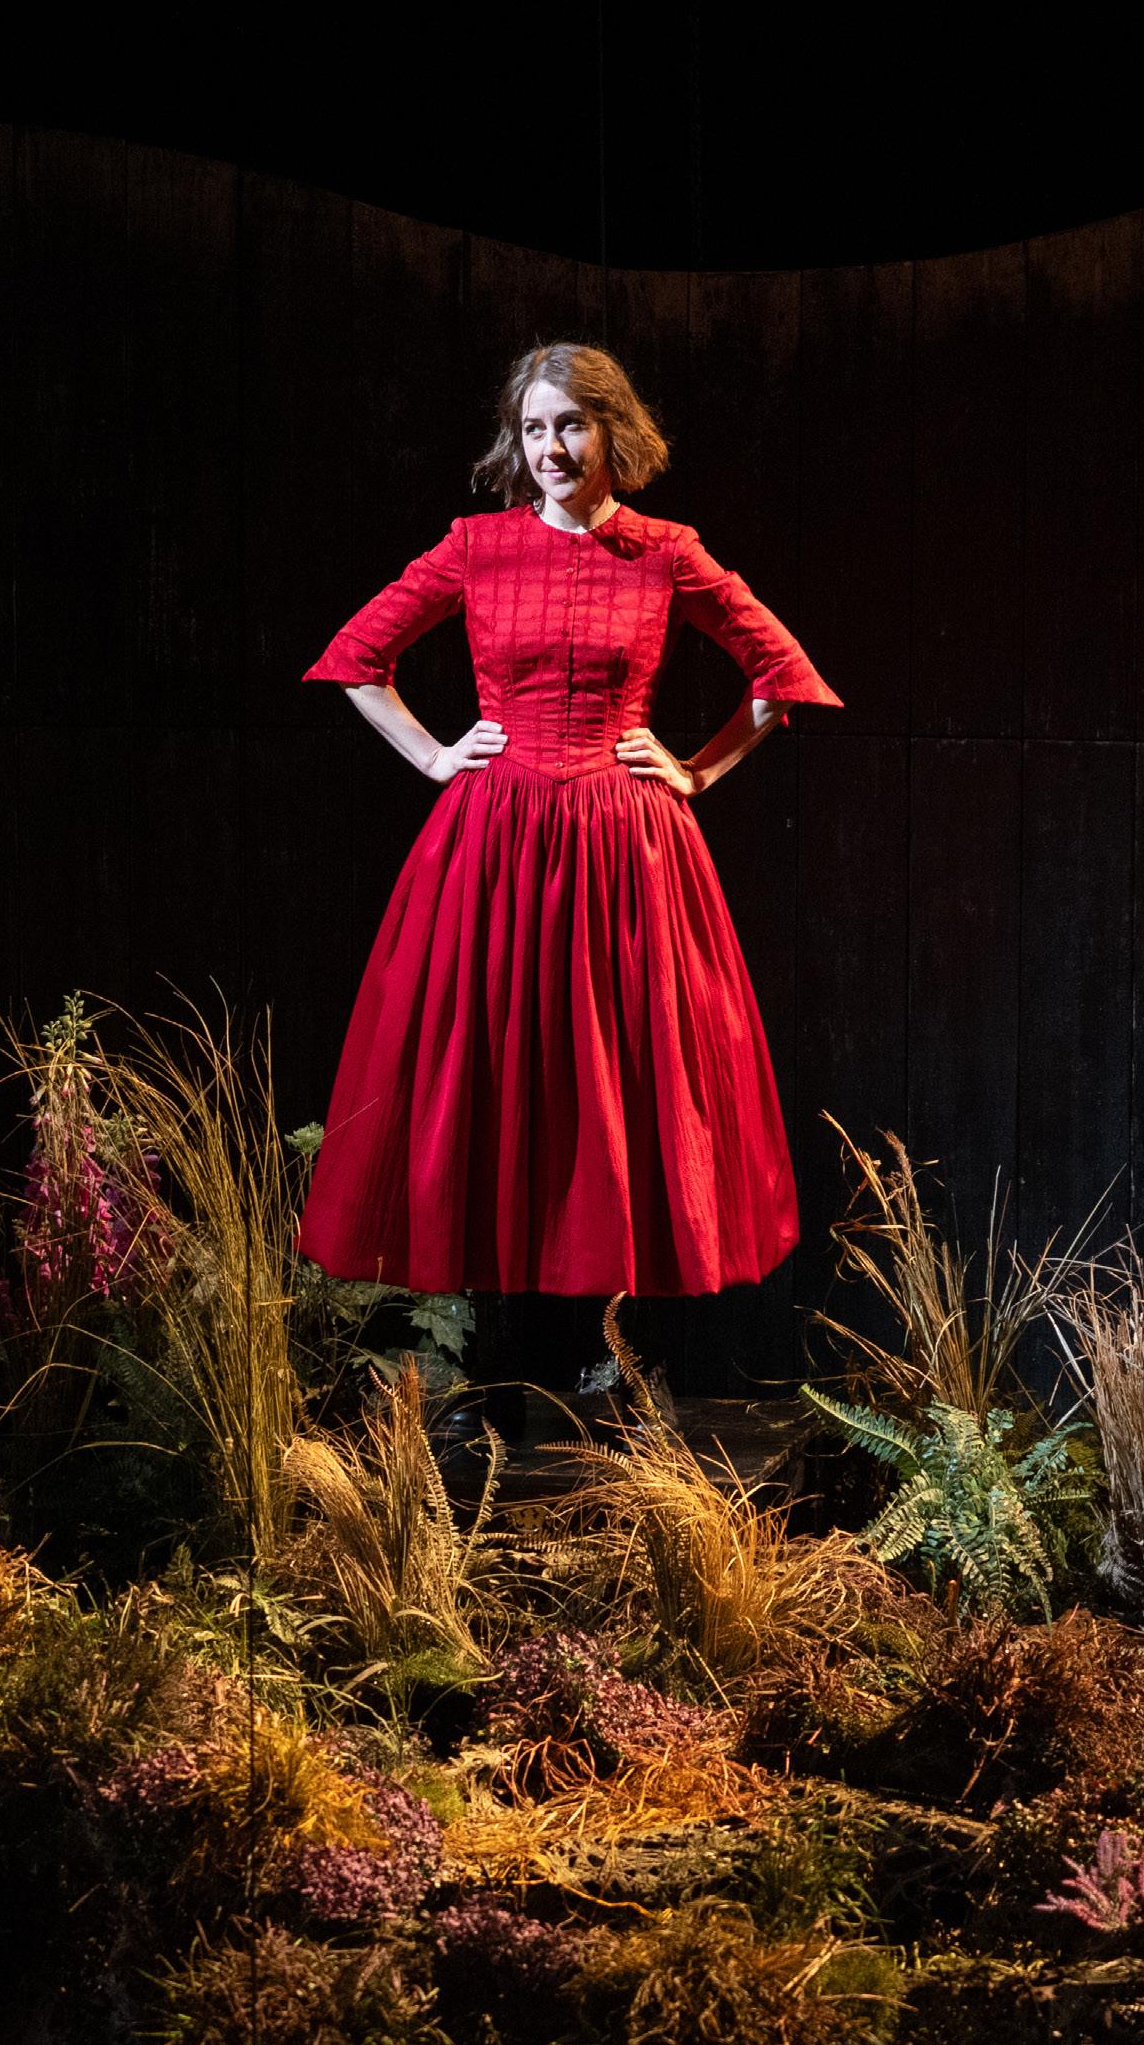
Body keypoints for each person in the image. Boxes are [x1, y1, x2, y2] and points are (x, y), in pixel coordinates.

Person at [298, 339, 842, 1392]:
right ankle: (482, 1360)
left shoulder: (664, 551)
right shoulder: (478, 546)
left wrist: (698, 769)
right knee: (485, 1065)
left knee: (612, 1074)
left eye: (571, 426)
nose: (550, 448)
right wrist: (436, 756)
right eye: (534, 428)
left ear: (611, 434)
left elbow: (780, 672)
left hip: (621, 845)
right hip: (493, 842)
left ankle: (607, 1349)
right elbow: (358, 657)